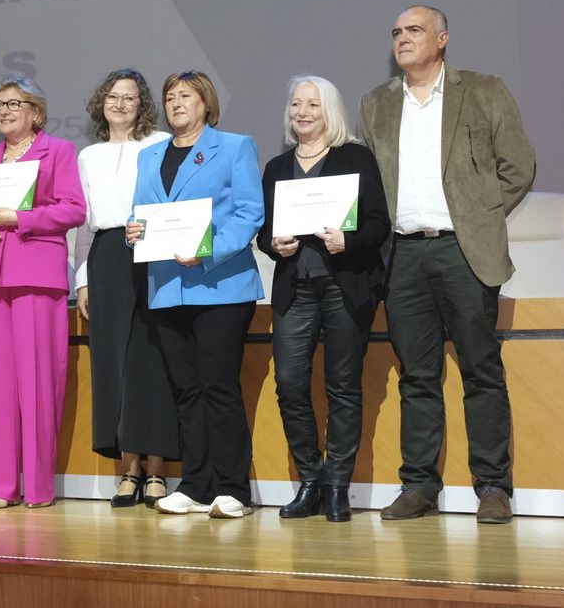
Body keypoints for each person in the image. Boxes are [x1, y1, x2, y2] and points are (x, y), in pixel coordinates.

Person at [359, 6, 535, 525]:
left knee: (481, 370)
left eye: (413, 30)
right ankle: (418, 486)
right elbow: (369, 181)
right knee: (417, 376)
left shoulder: (482, 90)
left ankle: (493, 488)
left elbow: (518, 167)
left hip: (464, 251)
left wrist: (477, 216)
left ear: (442, 39)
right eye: (395, 32)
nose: (402, 38)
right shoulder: (376, 103)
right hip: (404, 255)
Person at [126, 71, 263, 519]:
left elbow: (249, 214)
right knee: (185, 391)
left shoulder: (235, 146)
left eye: (185, 95)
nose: (176, 102)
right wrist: (134, 230)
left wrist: (206, 251)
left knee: (218, 386)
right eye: (169, 97)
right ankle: (197, 484)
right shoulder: (149, 156)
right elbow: (142, 213)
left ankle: (232, 488)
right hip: (167, 286)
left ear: (206, 102)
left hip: (220, 285)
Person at [0, 74, 85, 510]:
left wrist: (19, 220)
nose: (4, 111)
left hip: (36, 276)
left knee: (38, 381)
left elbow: (74, 208)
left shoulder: (57, 151)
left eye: (13, 103)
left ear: (35, 112)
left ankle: (39, 487)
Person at [256, 76, 389, 522]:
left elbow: (377, 224)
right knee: (290, 384)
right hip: (295, 288)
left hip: (344, 286)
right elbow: (263, 231)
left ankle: (337, 487)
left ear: (329, 110)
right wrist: (276, 244)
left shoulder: (355, 157)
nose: (303, 112)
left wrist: (345, 243)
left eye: (313, 104)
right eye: (296, 103)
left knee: (343, 388)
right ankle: (310, 480)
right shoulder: (276, 167)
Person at [72, 69, 177, 508]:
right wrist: (81, 280)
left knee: (150, 364)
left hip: (151, 252)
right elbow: (82, 226)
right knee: (113, 367)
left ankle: (157, 470)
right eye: (112, 96)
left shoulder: (158, 144)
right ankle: (128, 469)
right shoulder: (88, 155)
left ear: (142, 104)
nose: (119, 103)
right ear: (101, 102)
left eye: (129, 98)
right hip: (106, 257)